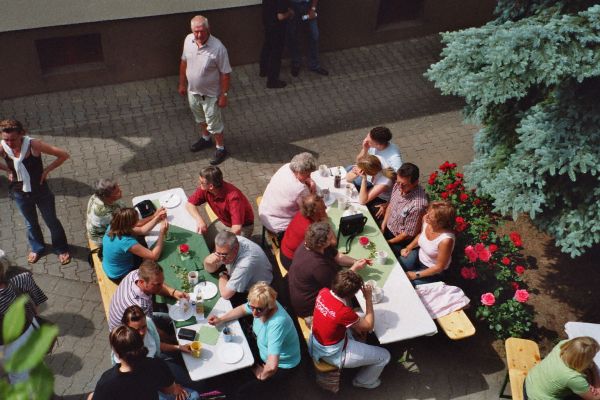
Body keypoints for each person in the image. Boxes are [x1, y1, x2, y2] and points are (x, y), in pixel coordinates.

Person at [208, 282, 301, 399]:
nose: (254, 313)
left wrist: (261, 374)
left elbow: (272, 365)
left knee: (241, 391)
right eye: (252, 307)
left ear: (270, 305)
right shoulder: (260, 303)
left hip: (282, 367)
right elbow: (242, 309)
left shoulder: (277, 324)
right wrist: (221, 319)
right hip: (262, 352)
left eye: (259, 310)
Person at [0, 119, 71, 265]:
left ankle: (61, 248)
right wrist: (8, 169)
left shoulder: (33, 144)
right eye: (6, 139)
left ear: (22, 134)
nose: (10, 143)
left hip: (41, 191)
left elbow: (63, 155)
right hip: (19, 192)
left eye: (13, 139)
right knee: (30, 223)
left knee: (51, 220)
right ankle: (37, 247)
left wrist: (46, 171)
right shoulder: (2, 147)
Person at [309, 269, 390, 389]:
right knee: (385, 356)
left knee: (359, 315)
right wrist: (368, 299)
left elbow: (341, 316)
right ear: (352, 295)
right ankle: (364, 381)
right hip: (333, 353)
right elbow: (369, 326)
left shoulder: (323, 292)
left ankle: (360, 345)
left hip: (317, 341)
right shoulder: (343, 312)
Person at [89, 325, 199, 400]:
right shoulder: (156, 364)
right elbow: (169, 390)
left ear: (116, 353)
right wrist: (176, 388)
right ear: (141, 345)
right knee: (194, 396)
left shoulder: (107, 382)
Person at [288, 222, 369, 322]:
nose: (333, 240)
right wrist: (355, 268)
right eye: (330, 238)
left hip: (307, 291)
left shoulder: (311, 244)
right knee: (351, 298)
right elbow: (339, 286)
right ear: (322, 243)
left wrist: (355, 261)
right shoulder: (317, 265)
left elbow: (338, 257)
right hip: (310, 307)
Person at [178, 15, 232, 165]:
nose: (199, 35)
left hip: (211, 95)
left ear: (208, 29)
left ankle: (221, 148)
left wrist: (224, 94)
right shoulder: (188, 40)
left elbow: (225, 73)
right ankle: (206, 139)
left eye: (202, 31)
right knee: (200, 118)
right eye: (196, 31)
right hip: (193, 91)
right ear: (192, 31)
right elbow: (183, 63)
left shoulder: (218, 48)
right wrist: (182, 84)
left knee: (214, 123)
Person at [120, 305, 204, 396]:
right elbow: (144, 379)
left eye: (143, 327)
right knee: (194, 386)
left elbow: (157, 345)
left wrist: (179, 347)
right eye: (136, 330)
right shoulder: (128, 349)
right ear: (126, 328)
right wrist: (172, 387)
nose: (142, 332)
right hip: (151, 380)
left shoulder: (148, 323)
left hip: (158, 361)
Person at [0, 250, 48, 384]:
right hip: (28, 328)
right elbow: (37, 302)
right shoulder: (22, 277)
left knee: (18, 373)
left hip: (10, 343)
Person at [108, 260, 189, 332]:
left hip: (130, 323)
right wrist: (173, 341)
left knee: (171, 319)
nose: (161, 287)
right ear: (142, 282)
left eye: (162, 282)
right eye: (157, 284)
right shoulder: (140, 306)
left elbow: (158, 284)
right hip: (126, 337)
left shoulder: (135, 274)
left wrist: (173, 292)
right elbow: (150, 330)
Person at [185, 166, 254, 250]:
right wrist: (200, 220)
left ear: (211, 186)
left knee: (222, 256)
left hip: (243, 227)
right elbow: (189, 204)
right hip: (224, 222)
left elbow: (237, 228)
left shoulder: (234, 197)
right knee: (202, 243)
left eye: (201, 182)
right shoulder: (205, 189)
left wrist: (221, 248)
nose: (198, 183)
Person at [86, 178, 167, 246]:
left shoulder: (98, 196)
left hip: (104, 227)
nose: (121, 191)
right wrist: (155, 217)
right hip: (102, 237)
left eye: (119, 188)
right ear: (108, 197)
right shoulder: (106, 214)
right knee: (141, 239)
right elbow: (138, 226)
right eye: (117, 192)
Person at [203, 232, 272, 305]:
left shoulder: (245, 264)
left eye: (224, 254)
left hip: (258, 290)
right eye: (218, 253)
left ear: (235, 249)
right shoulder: (229, 244)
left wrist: (222, 275)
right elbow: (210, 269)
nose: (221, 258)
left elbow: (226, 294)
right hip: (246, 275)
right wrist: (207, 262)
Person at [102, 208, 168, 282]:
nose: (138, 222)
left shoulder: (114, 226)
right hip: (120, 275)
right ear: (129, 224)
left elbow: (142, 230)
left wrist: (157, 218)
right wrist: (162, 233)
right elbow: (154, 256)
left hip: (110, 267)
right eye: (136, 221)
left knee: (143, 243)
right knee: (150, 263)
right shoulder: (126, 242)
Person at [258, 152, 317, 235]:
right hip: (277, 223)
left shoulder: (287, 167)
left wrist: (308, 180)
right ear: (298, 172)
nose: (310, 176)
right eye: (307, 174)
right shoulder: (300, 189)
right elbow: (308, 210)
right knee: (312, 222)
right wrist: (313, 193)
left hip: (265, 209)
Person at [399, 201, 456, 286]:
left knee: (408, 284)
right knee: (398, 265)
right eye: (428, 212)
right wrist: (409, 247)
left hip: (433, 271)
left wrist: (416, 275)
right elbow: (421, 235)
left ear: (441, 222)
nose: (427, 216)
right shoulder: (426, 220)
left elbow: (439, 267)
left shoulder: (446, 240)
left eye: (431, 216)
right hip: (420, 255)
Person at [525, 337, 600, 400]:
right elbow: (595, 397)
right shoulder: (573, 378)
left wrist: (589, 381)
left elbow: (589, 364)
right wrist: (596, 385)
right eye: (591, 357)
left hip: (530, 381)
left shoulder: (563, 345)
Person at [380, 162, 428, 255]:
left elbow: (406, 234)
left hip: (398, 239)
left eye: (404, 184)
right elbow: (391, 205)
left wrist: (388, 242)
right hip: (388, 226)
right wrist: (383, 226)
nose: (399, 187)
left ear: (415, 182)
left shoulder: (417, 206)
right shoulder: (398, 185)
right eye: (398, 182)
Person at [279, 193, 327, 268]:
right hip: (290, 260)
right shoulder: (312, 229)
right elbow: (332, 242)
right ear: (314, 213)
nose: (326, 207)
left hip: (284, 248)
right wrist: (325, 220)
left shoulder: (303, 213)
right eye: (323, 208)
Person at [286, 0, 328, 77]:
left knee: (314, 35)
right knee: (293, 35)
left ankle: (314, 64)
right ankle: (296, 62)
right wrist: (287, 8)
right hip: (293, 5)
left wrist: (313, 9)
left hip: (308, 4)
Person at [260, 0, 295, 89]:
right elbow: (280, 16)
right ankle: (272, 81)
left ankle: (263, 70)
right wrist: (289, 13)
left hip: (268, 23)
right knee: (276, 53)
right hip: (277, 28)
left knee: (267, 46)